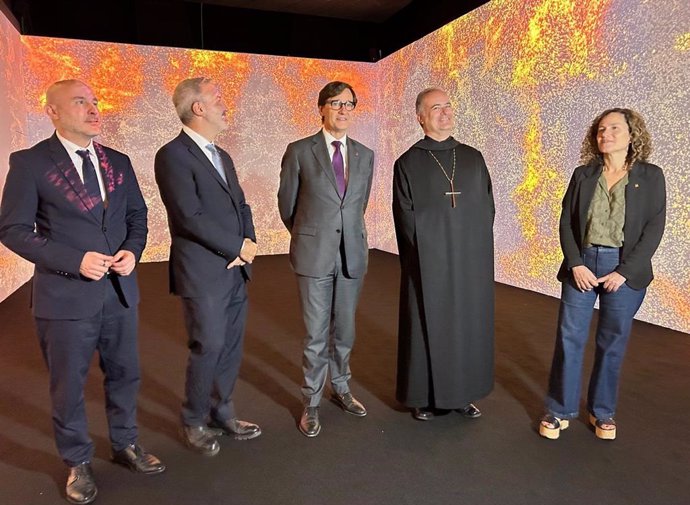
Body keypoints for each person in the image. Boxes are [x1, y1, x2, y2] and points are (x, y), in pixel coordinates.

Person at [0, 79, 164, 505]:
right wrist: (73, 260)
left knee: (126, 373)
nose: (94, 109)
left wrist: (132, 250)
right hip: (65, 297)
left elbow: (137, 216)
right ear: (52, 110)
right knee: (68, 385)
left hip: (120, 292)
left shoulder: (119, 162)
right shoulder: (31, 163)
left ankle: (125, 444)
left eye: (94, 101)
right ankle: (77, 460)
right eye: (80, 102)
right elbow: (13, 229)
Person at [539, 108, 666, 440]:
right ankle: (559, 409)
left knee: (612, 342)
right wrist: (576, 263)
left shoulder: (651, 176)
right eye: (600, 129)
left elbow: (654, 229)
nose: (605, 134)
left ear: (631, 134)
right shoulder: (583, 174)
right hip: (582, 264)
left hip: (625, 271)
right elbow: (566, 221)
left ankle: (602, 412)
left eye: (613, 128)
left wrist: (624, 272)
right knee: (570, 338)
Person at [155, 77, 260, 456]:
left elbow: (241, 206)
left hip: (234, 269)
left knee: (230, 346)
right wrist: (235, 246)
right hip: (202, 272)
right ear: (197, 108)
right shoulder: (172, 155)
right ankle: (194, 420)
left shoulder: (222, 155)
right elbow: (189, 216)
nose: (225, 104)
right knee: (209, 345)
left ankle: (222, 412)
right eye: (218, 98)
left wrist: (248, 243)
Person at [278, 81, 374, 437]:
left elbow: (357, 206)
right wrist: (309, 235)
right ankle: (312, 401)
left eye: (350, 104)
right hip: (313, 255)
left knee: (345, 330)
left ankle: (342, 387)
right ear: (321, 108)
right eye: (336, 103)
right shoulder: (300, 150)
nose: (344, 110)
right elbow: (287, 205)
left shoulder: (365, 154)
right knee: (316, 334)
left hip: (352, 254)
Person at [392, 87, 495, 421]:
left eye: (449, 106)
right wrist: (429, 254)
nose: (445, 112)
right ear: (420, 116)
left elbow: (487, 206)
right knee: (425, 322)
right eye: (436, 107)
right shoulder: (407, 163)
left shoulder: (473, 158)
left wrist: (472, 247)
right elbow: (405, 215)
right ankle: (424, 397)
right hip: (428, 262)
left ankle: (461, 395)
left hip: (469, 261)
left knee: (466, 324)